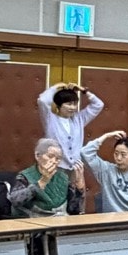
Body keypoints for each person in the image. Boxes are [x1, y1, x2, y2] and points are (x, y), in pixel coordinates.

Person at [37, 81, 104, 211]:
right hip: (56, 167)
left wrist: (84, 91)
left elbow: (98, 105)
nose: (73, 107)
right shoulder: (50, 118)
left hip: (76, 168)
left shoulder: (79, 119)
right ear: (59, 105)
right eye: (68, 103)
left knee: (77, 202)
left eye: (75, 104)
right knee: (56, 202)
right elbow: (42, 101)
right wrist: (58, 86)